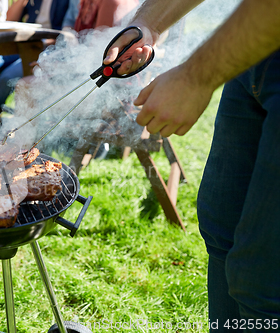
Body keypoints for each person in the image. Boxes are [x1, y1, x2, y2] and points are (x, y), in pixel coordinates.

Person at [103, 0, 280, 329]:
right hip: (253, 51)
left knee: (264, 278)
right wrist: (146, 24)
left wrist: (196, 77)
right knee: (220, 232)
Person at [0, 0, 78, 119]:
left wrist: (46, 44)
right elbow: (10, 19)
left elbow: (66, 33)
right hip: (21, 45)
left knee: (7, 78)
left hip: (47, 50)